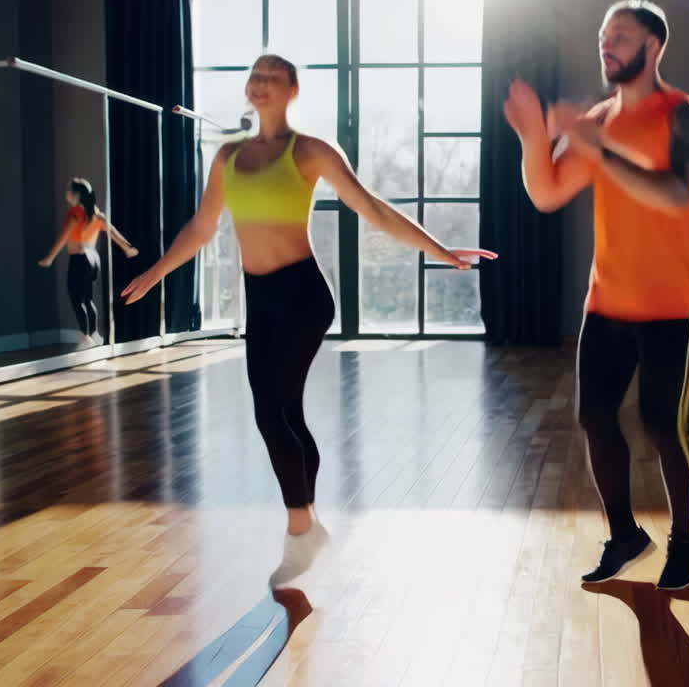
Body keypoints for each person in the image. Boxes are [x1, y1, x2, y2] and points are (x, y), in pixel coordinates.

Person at [122, 54, 496, 586]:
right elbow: (202, 228)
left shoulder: (311, 151)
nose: (259, 84)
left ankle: (300, 531)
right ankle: (310, 522)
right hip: (261, 299)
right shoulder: (227, 156)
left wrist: (439, 250)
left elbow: (375, 210)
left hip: (302, 295)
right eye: (253, 76)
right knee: (283, 414)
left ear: (293, 90)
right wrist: (157, 273)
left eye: (271, 77)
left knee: (271, 414)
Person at [503, 0, 689, 590]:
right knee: (595, 418)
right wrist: (530, 138)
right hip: (606, 301)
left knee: (663, 424)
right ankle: (624, 534)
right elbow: (546, 193)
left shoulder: (687, 115)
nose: (606, 44)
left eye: (619, 35)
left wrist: (597, 150)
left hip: (671, 302)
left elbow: (675, 193)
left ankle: (685, 538)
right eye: (602, 35)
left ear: (653, 46)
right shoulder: (595, 121)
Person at [38, 178, 139, 347]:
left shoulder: (75, 214)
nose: (66, 194)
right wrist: (127, 247)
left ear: (76, 195)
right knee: (88, 299)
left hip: (80, 258)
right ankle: (94, 334)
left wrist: (50, 257)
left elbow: (63, 238)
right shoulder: (96, 214)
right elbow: (112, 232)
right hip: (93, 259)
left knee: (76, 298)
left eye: (68, 191)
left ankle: (86, 337)